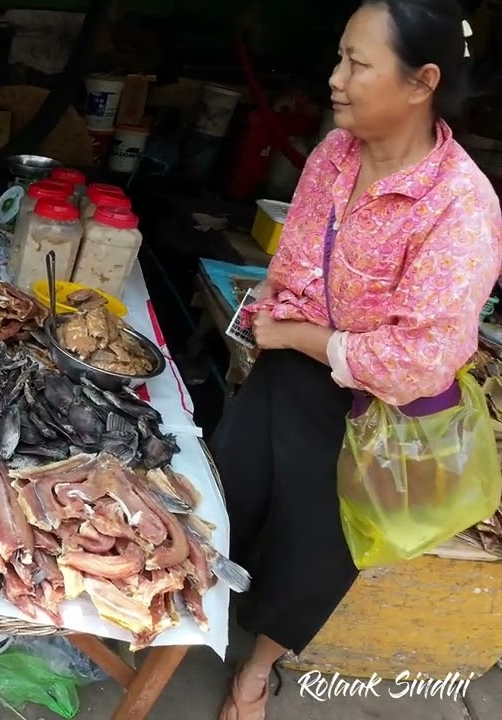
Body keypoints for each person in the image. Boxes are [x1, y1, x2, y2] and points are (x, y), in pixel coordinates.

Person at [213, 2, 500, 718]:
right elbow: (293, 265)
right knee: (222, 498)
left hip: (371, 415)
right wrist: (276, 310)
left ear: (421, 82)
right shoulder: (335, 156)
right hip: (286, 374)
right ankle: (177, 614)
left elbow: (414, 363)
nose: (335, 79)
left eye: (357, 63)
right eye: (340, 57)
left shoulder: (460, 207)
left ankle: (258, 668)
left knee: (314, 550)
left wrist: (299, 336)